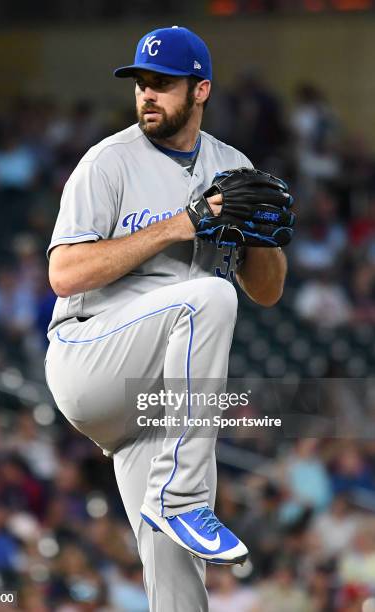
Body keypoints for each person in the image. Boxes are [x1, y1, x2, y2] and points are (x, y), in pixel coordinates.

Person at [45, 26, 289, 612]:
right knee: (207, 296)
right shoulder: (107, 163)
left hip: (159, 405)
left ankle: (175, 504)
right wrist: (181, 225)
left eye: (163, 84)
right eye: (141, 84)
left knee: (181, 585)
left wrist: (261, 243)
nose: (147, 94)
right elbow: (64, 275)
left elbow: (270, 292)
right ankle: (182, 497)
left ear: (200, 90)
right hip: (90, 357)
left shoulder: (232, 167)